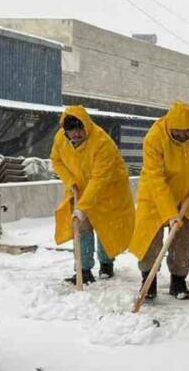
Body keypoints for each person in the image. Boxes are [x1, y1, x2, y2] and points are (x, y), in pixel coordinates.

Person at [128, 101, 189, 300]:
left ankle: (178, 280)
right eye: (176, 133)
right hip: (155, 195)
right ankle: (148, 279)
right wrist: (170, 214)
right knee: (149, 239)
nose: (181, 136)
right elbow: (156, 178)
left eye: (186, 133)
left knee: (182, 240)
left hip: (187, 195)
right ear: (169, 127)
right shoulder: (154, 137)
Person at [50, 106, 135, 284]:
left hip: (108, 190)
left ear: (86, 127)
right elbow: (56, 161)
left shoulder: (102, 143)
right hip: (80, 189)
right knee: (82, 228)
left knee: (105, 227)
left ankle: (106, 263)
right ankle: (84, 270)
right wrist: (70, 181)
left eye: (79, 132)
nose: (76, 136)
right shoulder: (60, 139)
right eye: (71, 133)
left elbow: (99, 180)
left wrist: (82, 207)